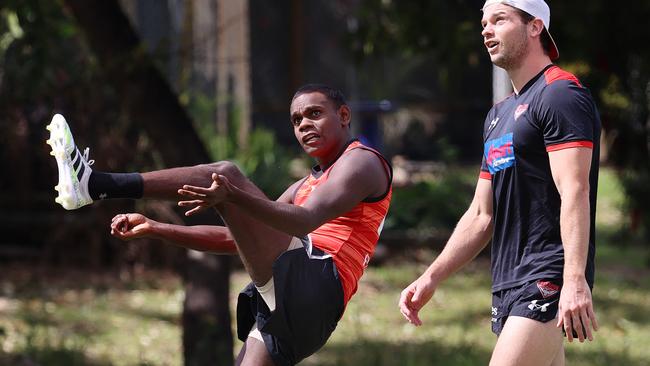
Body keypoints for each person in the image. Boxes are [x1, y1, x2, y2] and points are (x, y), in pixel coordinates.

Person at [46, 84, 393, 366]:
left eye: (314, 114)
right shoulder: (305, 185)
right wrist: (156, 227)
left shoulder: (360, 162)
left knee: (225, 173)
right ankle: (92, 185)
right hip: (299, 307)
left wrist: (233, 196)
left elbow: (305, 220)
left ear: (344, 115)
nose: (304, 125)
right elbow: (234, 238)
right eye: (296, 120)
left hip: (316, 284)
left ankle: (96, 184)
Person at [398, 0, 601, 365]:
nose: (486, 30)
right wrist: (430, 278)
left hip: (547, 274)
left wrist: (574, 279)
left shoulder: (560, 94)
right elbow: (480, 214)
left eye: (500, 20)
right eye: (484, 23)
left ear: (535, 27)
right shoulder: (498, 115)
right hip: (507, 279)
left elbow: (575, 189)